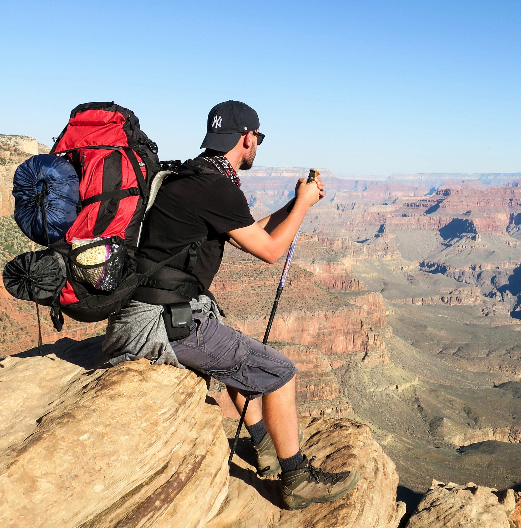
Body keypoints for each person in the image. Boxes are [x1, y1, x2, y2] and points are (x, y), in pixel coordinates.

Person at [102, 100, 359, 510]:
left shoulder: (195, 175)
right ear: (247, 137)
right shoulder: (215, 187)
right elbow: (271, 250)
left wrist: (295, 203)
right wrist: (305, 208)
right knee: (280, 373)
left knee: (235, 350)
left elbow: (248, 231)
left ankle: (263, 449)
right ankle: (295, 479)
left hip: (150, 310)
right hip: (161, 322)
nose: (257, 144)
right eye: (258, 137)